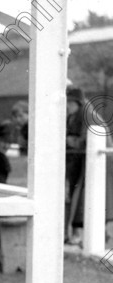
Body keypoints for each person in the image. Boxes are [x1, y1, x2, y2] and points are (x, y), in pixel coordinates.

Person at [65, 87, 88, 244]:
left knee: (79, 197)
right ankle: (69, 233)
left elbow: (84, 140)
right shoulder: (71, 117)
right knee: (70, 196)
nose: (68, 106)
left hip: (82, 161)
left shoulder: (85, 116)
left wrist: (70, 140)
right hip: (72, 160)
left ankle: (78, 234)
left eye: (70, 102)